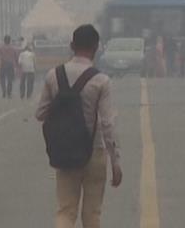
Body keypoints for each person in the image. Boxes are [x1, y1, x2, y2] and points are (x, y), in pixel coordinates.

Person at [36, 24, 123, 228]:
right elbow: (107, 124)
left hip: (65, 152)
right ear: (96, 47)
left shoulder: (53, 76)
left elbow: (40, 113)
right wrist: (116, 162)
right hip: (94, 152)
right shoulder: (101, 80)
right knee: (92, 214)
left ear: (71, 45)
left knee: (66, 211)